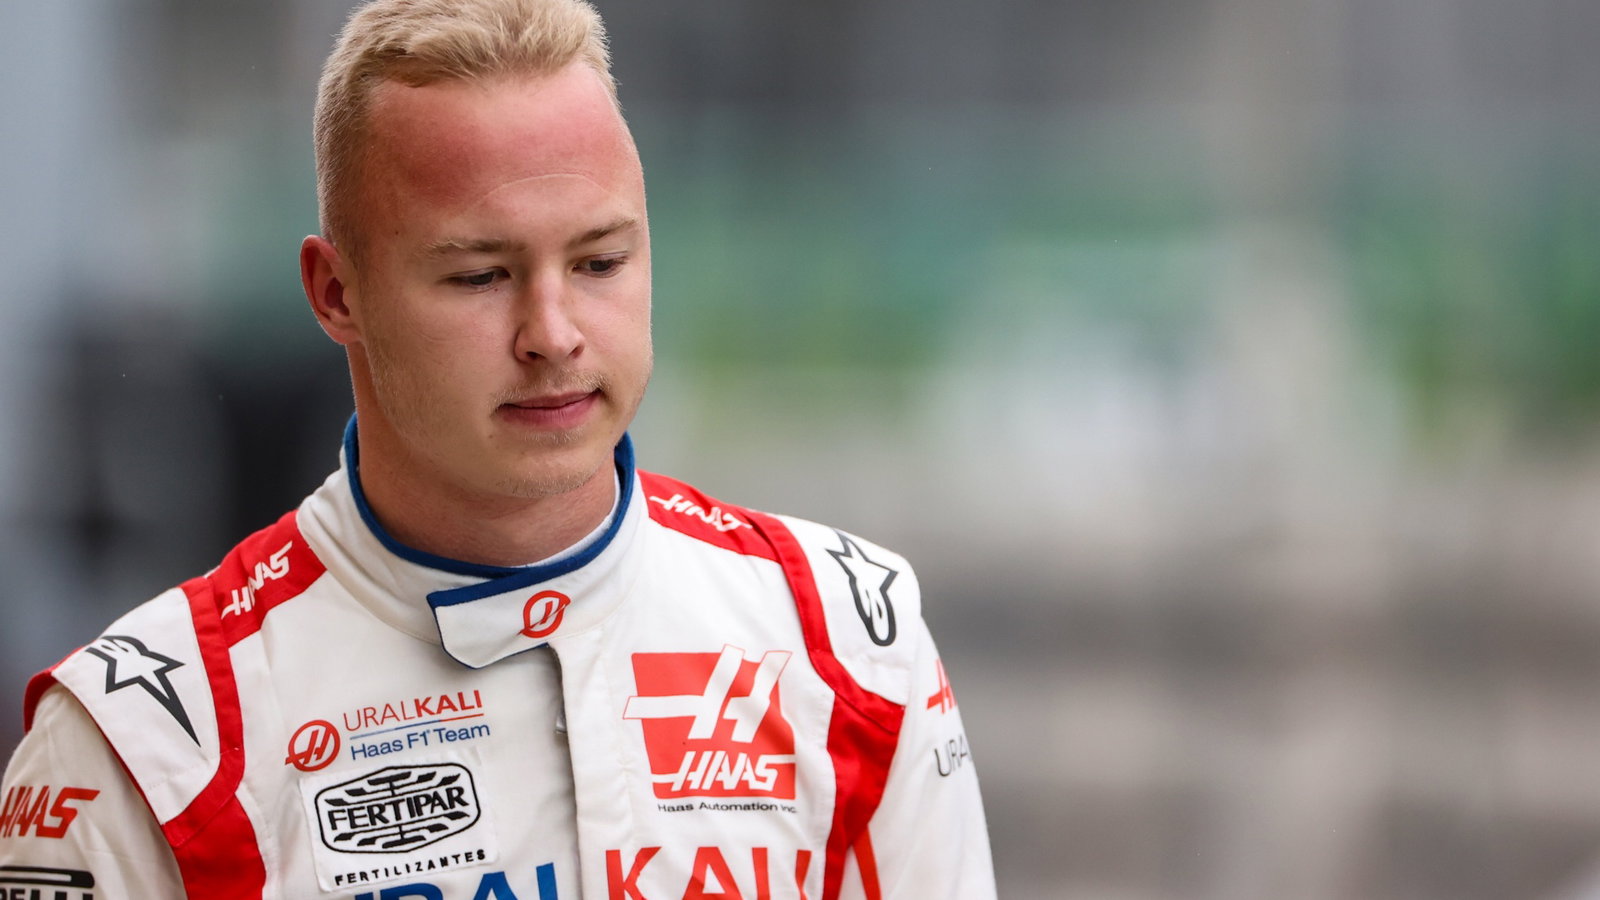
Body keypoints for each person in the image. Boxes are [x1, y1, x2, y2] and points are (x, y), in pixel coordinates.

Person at [0, 0, 996, 897]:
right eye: (480, 276)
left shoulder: (848, 638)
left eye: (600, 261)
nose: (553, 334)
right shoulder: (145, 744)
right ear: (336, 293)